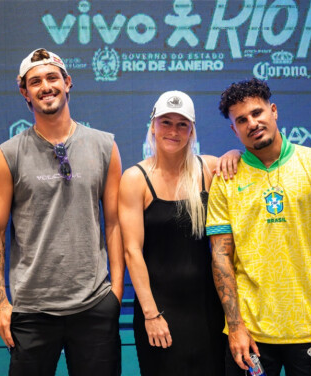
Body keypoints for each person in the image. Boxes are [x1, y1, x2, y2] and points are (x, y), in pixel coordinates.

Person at [0, 48, 123, 376]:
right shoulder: (8, 154)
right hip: (31, 308)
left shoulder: (105, 146)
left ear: (68, 82)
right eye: (35, 82)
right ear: (25, 92)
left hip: (94, 305)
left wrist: (115, 292)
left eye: (52, 78)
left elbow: (116, 223)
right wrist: (0, 302)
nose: (45, 86)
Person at [206, 78, 311, 376]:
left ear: (273, 111)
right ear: (234, 129)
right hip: (250, 336)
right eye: (242, 120)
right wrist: (235, 326)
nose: (252, 123)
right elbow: (221, 256)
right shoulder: (226, 178)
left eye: (258, 113)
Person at [118, 91, 240, 375]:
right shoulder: (135, 179)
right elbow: (131, 252)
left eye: (182, 124)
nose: (173, 131)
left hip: (209, 309)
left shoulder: (208, 168)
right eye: (166, 122)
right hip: (159, 310)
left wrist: (235, 154)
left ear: (192, 130)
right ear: (153, 125)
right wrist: (151, 314)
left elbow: (243, 166)